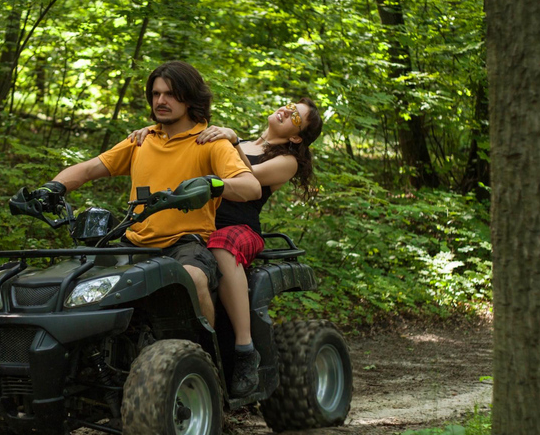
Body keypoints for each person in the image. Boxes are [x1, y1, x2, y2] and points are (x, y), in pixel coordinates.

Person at [33, 61, 261, 327]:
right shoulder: (142, 140)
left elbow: (251, 187)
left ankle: (203, 360)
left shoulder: (210, 141)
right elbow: (89, 168)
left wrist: (214, 185)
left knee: (192, 277)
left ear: (190, 99)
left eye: (171, 94)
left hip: (186, 245)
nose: (161, 101)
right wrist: (53, 187)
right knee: (78, 276)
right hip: (134, 243)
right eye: (156, 94)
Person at [129, 97, 323, 397]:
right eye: (288, 105)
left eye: (295, 116)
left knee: (221, 245)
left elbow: (248, 181)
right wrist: (151, 132)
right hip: (198, 224)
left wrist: (230, 141)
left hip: (238, 229)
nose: (285, 110)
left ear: (296, 136)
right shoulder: (236, 141)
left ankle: (245, 349)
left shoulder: (287, 161)